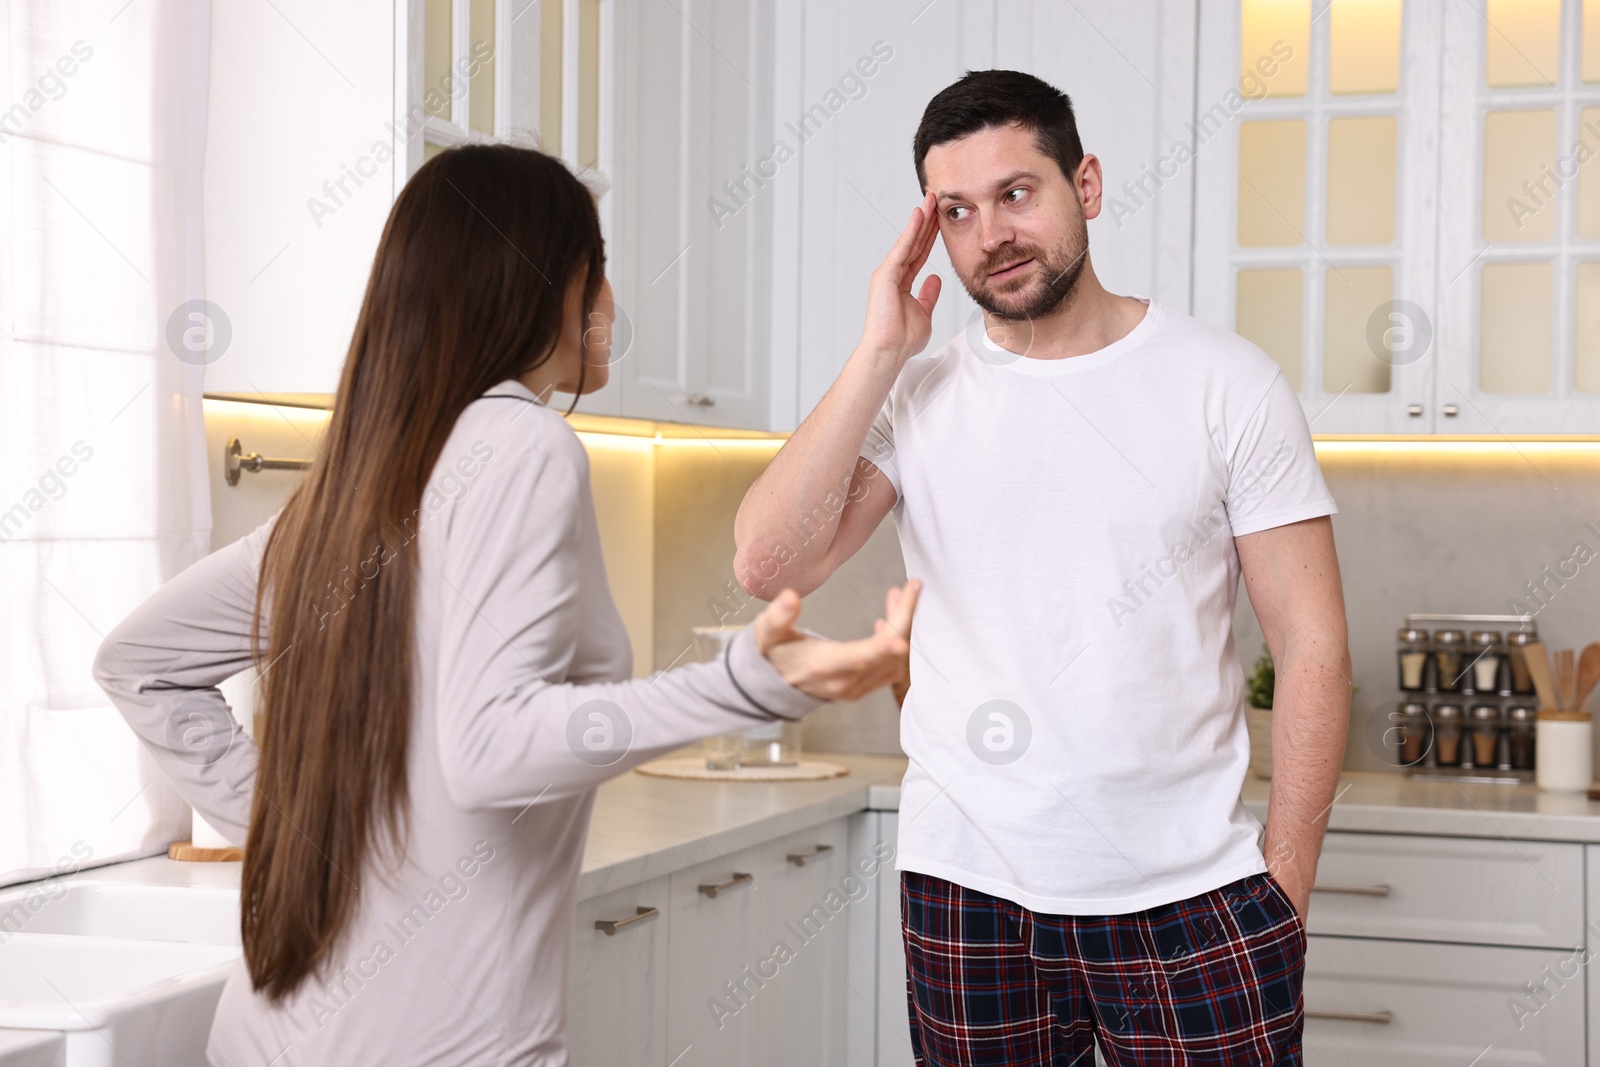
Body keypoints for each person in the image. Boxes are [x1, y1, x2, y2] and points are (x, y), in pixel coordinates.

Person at [92, 143, 919, 1067]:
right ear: (542, 285)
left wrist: (298, 837)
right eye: (594, 270)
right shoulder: (523, 445)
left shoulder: (360, 481)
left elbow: (140, 664)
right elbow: (489, 749)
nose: (609, 304)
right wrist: (741, 685)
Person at [733, 70, 1351, 1066]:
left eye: (1017, 193)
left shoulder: (1224, 381)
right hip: (968, 893)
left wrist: (1283, 889)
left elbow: (1313, 645)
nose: (992, 233)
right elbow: (767, 559)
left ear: (1087, 185)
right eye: (957, 211)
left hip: (1192, 894)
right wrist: (878, 349)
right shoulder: (919, 394)